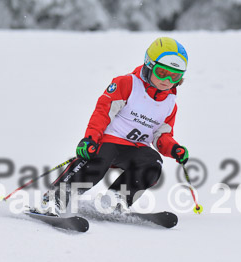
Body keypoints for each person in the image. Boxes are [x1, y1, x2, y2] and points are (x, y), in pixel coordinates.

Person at [42, 37, 191, 215]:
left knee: (153, 162)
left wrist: (173, 148)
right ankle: (56, 197)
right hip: (110, 141)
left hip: (136, 148)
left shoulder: (169, 104)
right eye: (161, 72)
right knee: (98, 161)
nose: (167, 80)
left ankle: (113, 201)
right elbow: (103, 112)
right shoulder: (127, 84)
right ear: (149, 65)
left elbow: (162, 136)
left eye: (175, 76)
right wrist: (90, 139)